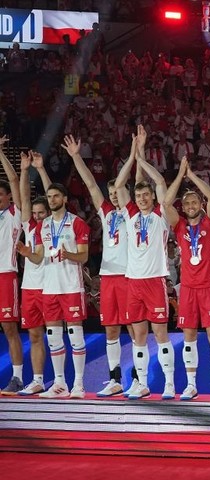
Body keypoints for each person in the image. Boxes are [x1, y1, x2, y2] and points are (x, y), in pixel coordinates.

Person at [150, 156, 210, 401]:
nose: (191, 205)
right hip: (188, 289)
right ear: (183, 208)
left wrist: (192, 175)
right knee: (189, 337)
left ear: (201, 205)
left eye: (195, 201)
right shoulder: (179, 226)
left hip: (208, 287)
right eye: (187, 203)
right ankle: (191, 385)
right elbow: (164, 203)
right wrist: (179, 174)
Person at [62, 135, 135, 397]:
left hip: (128, 276)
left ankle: (138, 379)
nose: (115, 197)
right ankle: (115, 379)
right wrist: (76, 157)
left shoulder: (131, 213)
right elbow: (91, 184)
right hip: (108, 277)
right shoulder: (106, 211)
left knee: (134, 328)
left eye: (119, 193)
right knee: (111, 328)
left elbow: (122, 184)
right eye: (112, 193)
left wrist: (134, 154)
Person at [113, 128, 177, 400]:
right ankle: (140, 384)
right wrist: (132, 154)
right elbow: (118, 186)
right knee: (138, 336)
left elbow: (160, 181)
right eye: (138, 196)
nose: (141, 199)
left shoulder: (161, 214)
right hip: (133, 282)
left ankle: (171, 384)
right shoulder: (129, 214)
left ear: (152, 198)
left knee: (160, 334)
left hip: (155, 281)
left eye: (145, 195)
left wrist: (142, 155)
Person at [19, 183, 89, 398]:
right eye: (49, 196)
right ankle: (60, 384)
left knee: (76, 336)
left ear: (65, 198)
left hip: (70, 287)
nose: (52, 200)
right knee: (53, 337)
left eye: (56, 196)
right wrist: (27, 253)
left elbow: (84, 257)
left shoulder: (78, 224)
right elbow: (39, 257)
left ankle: (78, 384)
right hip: (49, 288)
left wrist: (68, 255)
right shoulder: (43, 226)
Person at [15, 151, 51, 395]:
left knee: (56, 336)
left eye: (41, 212)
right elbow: (25, 200)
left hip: (51, 286)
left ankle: (61, 381)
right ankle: (37, 380)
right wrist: (25, 171)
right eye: (35, 213)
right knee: (35, 335)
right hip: (29, 287)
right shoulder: (29, 225)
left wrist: (41, 169)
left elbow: (52, 195)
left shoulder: (53, 224)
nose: (37, 216)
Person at [0, 140, 26, 395]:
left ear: (7, 197)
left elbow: (14, 178)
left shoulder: (14, 214)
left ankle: (17, 377)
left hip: (6, 275)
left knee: (9, 328)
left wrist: (0, 154)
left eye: (0, 194)